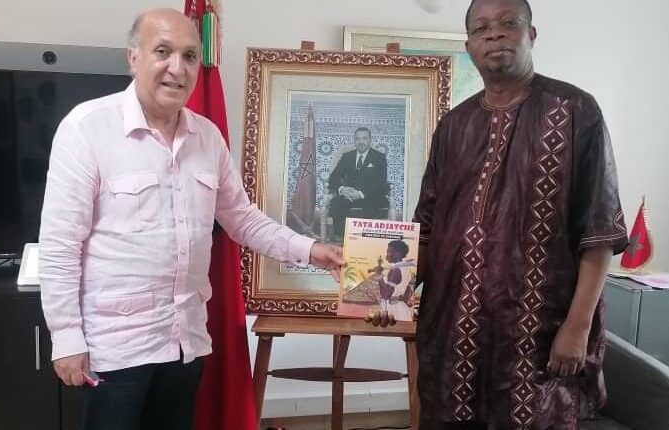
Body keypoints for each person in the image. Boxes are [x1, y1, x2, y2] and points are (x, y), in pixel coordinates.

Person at [38, 8, 343, 430]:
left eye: (189, 56)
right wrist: (66, 337)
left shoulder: (207, 137)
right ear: (133, 57)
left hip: (184, 343)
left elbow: (243, 219)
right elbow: (60, 246)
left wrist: (312, 250)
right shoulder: (86, 129)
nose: (177, 68)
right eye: (162, 52)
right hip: (114, 350)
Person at [368, 0, 628, 429]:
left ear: (531, 35)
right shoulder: (454, 126)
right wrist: (387, 296)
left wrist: (578, 327)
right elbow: (426, 230)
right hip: (454, 332)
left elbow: (600, 232)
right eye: (481, 28)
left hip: (537, 333)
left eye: (509, 23)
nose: (494, 34)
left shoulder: (575, 111)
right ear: (469, 45)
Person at [328, 127, 388, 239]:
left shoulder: (379, 157)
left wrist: (360, 194)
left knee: (372, 206)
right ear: (354, 141)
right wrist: (342, 189)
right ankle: (342, 237)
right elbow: (333, 178)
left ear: (370, 140)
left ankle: (365, 239)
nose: (361, 142)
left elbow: (381, 182)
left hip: (370, 195)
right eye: (358, 139)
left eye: (364, 138)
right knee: (336, 203)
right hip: (349, 196)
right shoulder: (347, 156)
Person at [377, 240, 415, 321]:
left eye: (389, 252)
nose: (386, 255)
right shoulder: (406, 269)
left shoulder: (395, 270)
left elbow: (386, 295)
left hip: (394, 312)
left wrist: (379, 276)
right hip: (403, 311)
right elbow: (406, 296)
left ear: (398, 254)